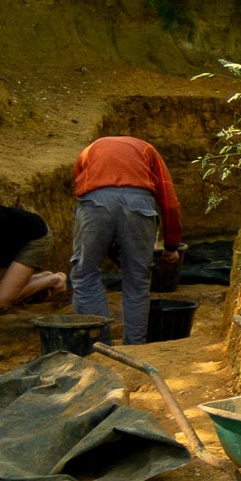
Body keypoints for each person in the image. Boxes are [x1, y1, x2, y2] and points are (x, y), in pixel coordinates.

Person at [70, 134, 184, 345]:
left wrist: (113, 253)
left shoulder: (88, 151)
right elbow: (169, 202)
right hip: (139, 206)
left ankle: (99, 346)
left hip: (94, 204)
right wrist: (171, 245)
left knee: (85, 275)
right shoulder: (147, 150)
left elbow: (80, 187)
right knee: (137, 280)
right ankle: (135, 348)